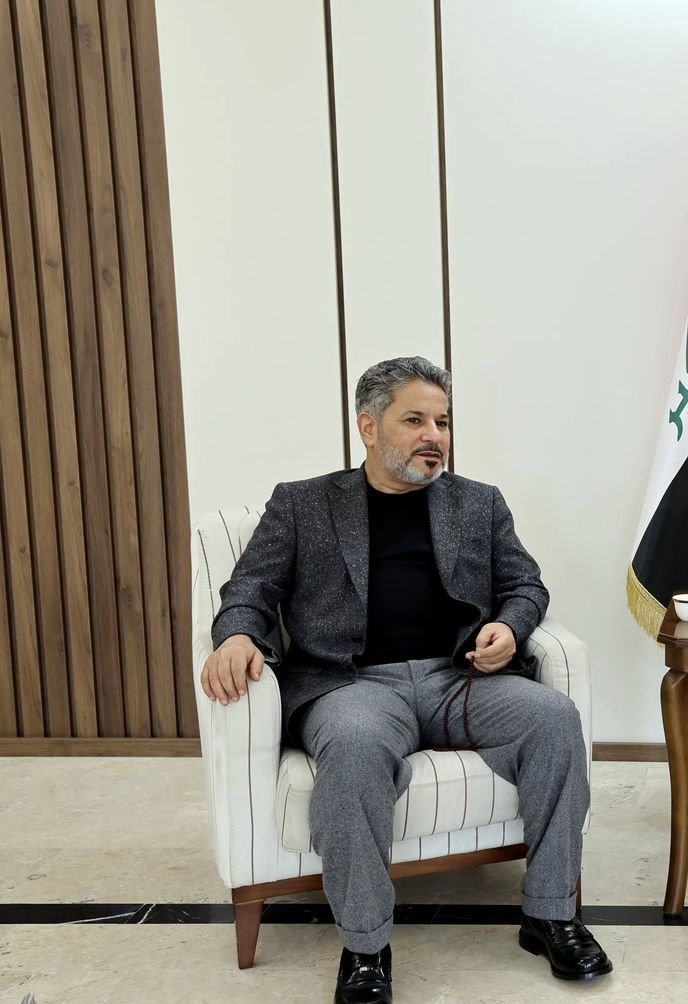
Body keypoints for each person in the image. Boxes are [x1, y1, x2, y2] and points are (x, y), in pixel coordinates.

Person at [201, 357, 610, 1003]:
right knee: (355, 748)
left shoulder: (478, 502)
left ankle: (550, 914)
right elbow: (250, 588)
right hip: (351, 685)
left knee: (555, 719)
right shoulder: (303, 503)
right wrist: (237, 635)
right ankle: (366, 947)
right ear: (369, 427)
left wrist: (510, 626)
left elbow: (525, 585)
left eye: (442, 422)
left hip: (460, 680)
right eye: (415, 420)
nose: (434, 436)